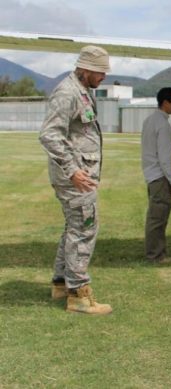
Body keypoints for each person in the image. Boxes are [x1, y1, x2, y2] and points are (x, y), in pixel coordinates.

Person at [40, 45, 113, 314]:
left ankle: (61, 283)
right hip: (75, 178)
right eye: (100, 71)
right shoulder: (67, 92)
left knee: (74, 227)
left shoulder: (82, 92)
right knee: (84, 228)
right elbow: (49, 135)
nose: (104, 76)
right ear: (85, 68)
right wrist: (72, 170)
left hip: (80, 175)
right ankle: (79, 295)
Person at [141, 87, 171, 263]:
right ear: (165, 102)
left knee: (155, 216)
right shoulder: (163, 125)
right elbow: (164, 158)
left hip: (151, 175)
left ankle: (157, 251)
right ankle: (155, 255)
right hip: (159, 177)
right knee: (158, 218)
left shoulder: (149, 120)